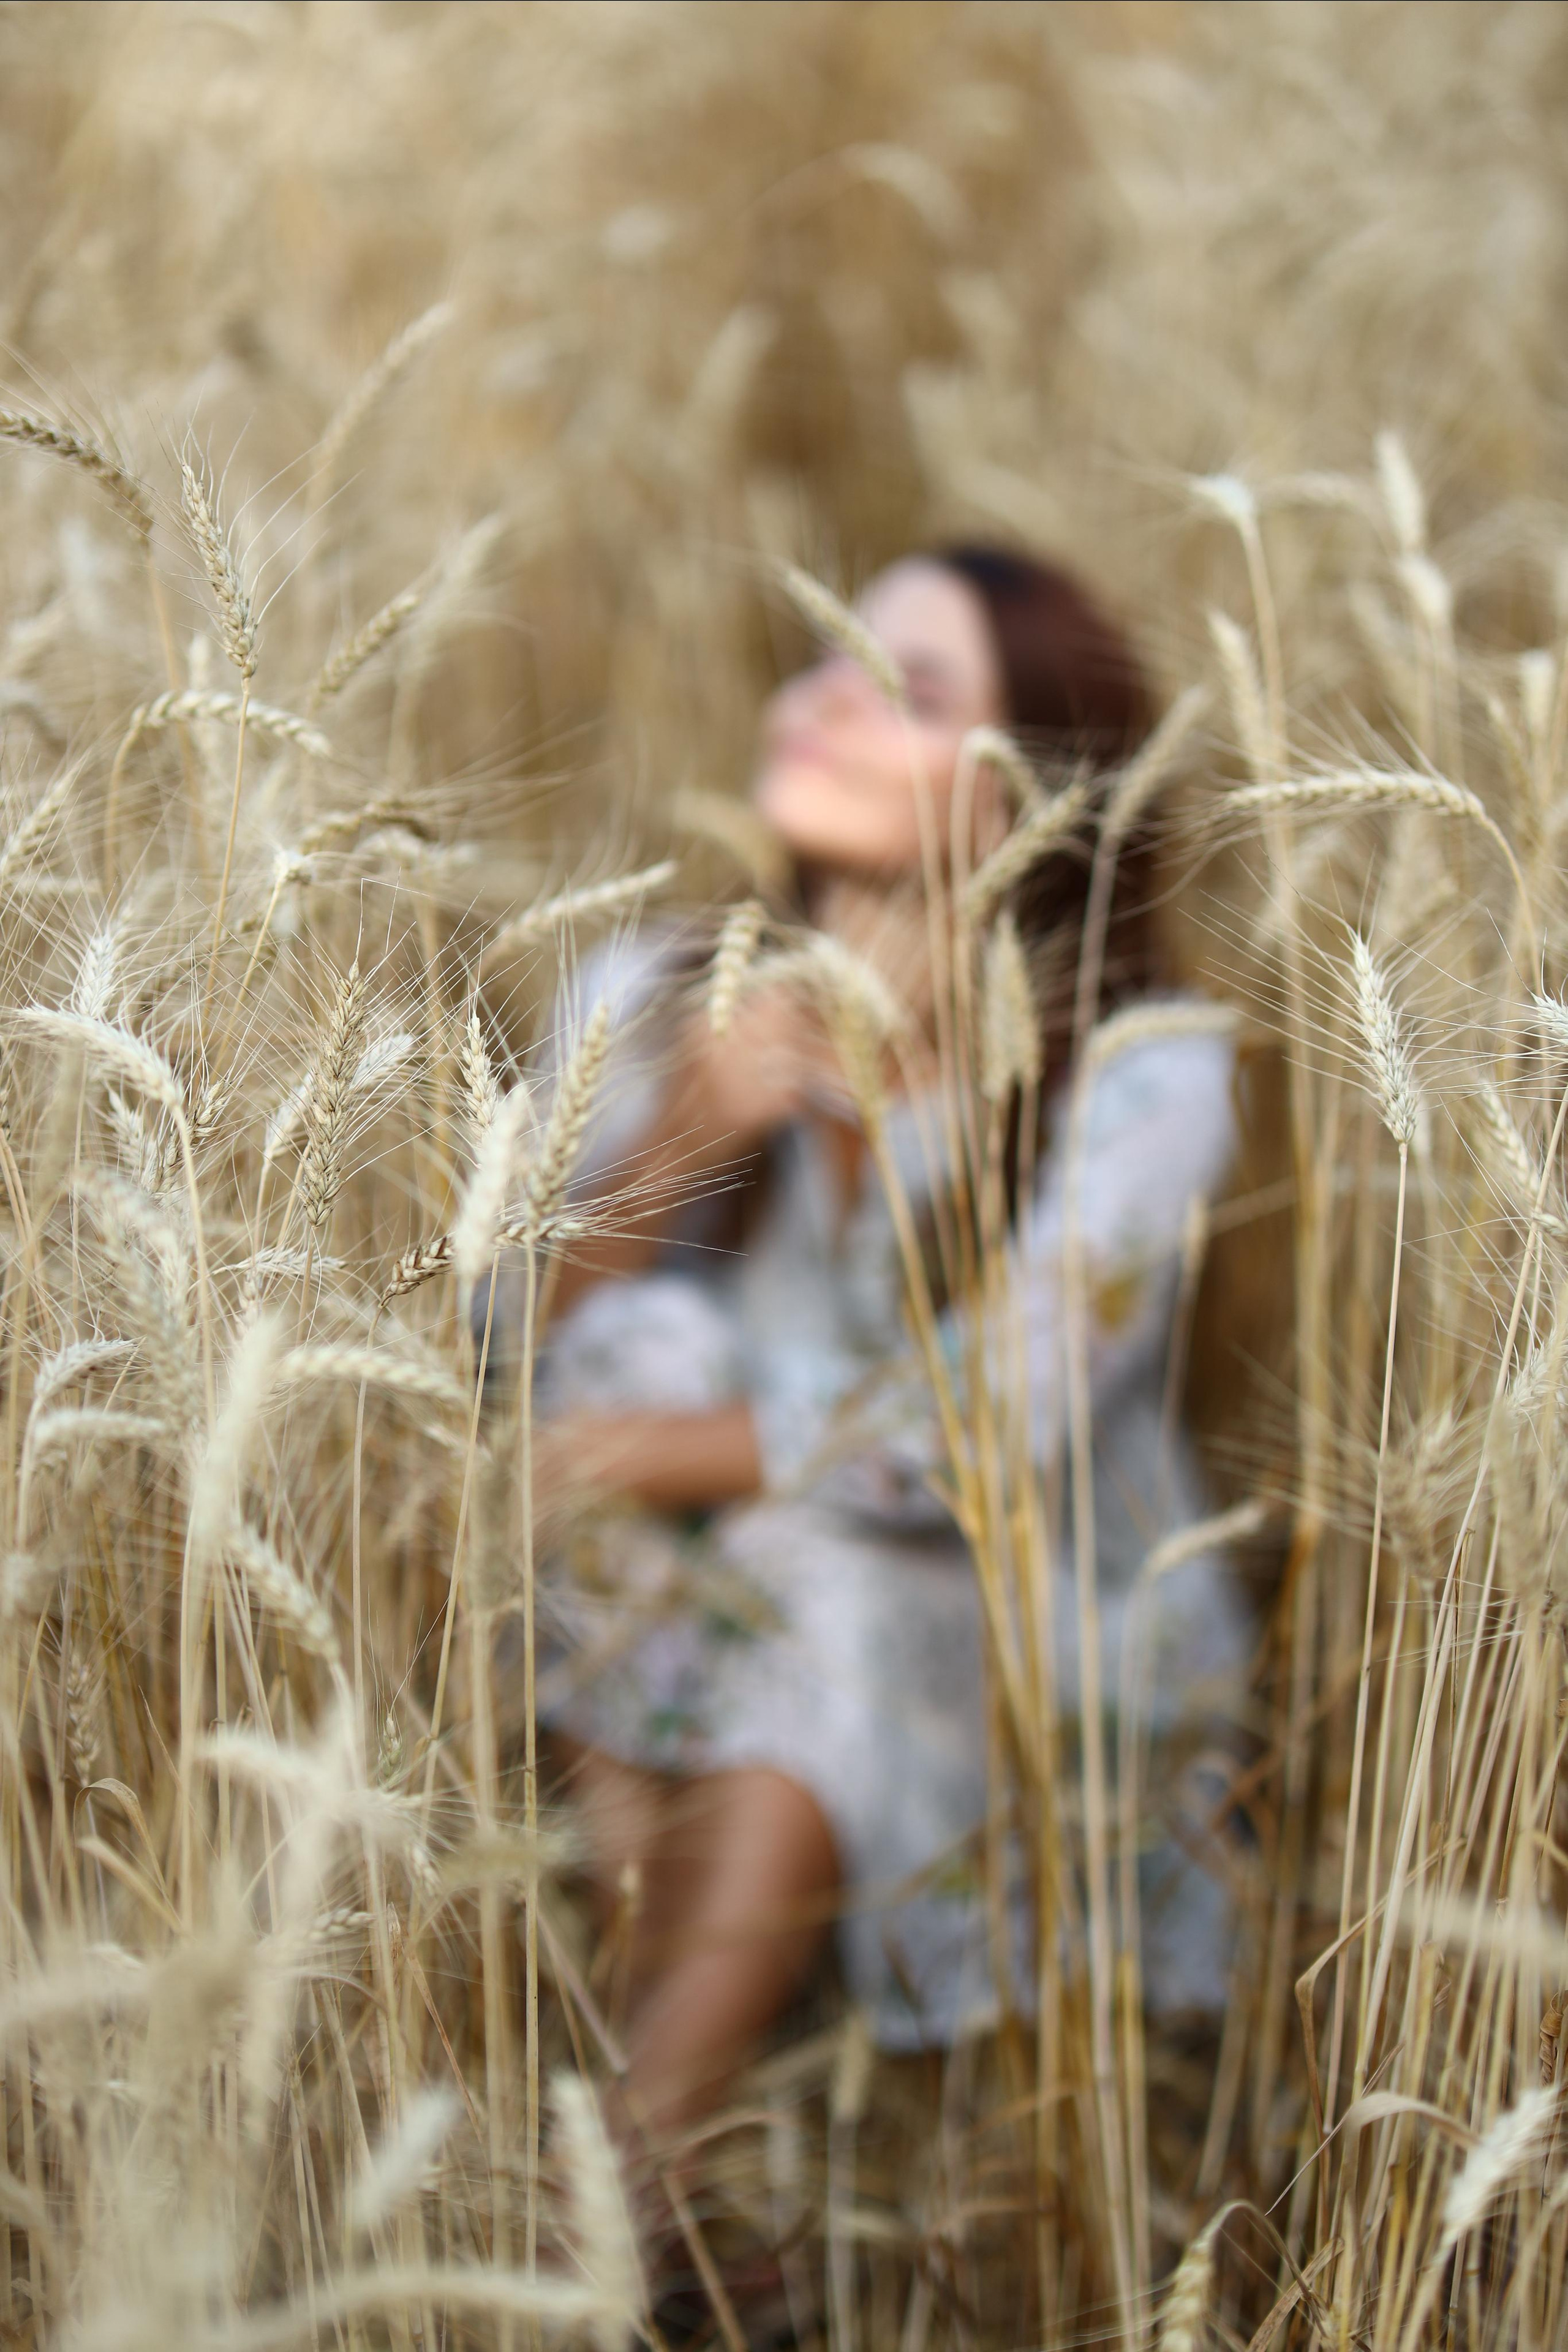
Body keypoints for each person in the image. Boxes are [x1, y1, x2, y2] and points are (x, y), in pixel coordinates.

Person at [488, 547, 1248, 2163]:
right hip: (727, 1590)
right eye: (826, 658)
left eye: (906, 689)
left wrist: (606, 1463)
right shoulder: (650, 996)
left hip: (1034, 1629)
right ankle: (681, 2141)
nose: (827, 696)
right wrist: (679, 1138)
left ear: (1028, 786)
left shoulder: (1143, 1075)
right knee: (635, 1347)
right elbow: (499, 1334)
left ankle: (625, 2161)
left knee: (809, 1547)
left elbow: (969, 1435)